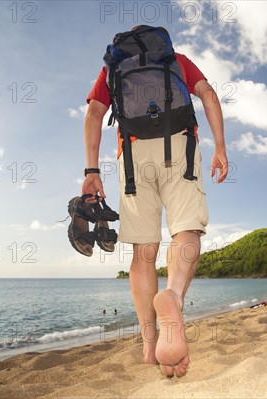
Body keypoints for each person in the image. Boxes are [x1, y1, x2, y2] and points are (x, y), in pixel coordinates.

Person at [82, 27, 228, 378]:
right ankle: (173, 296)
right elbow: (207, 94)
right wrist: (220, 146)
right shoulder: (175, 60)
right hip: (179, 146)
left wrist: (90, 170)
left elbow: (94, 114)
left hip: (131, 156)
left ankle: (149, 345)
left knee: (143, 251)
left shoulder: (112, 69)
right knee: (186, 231)